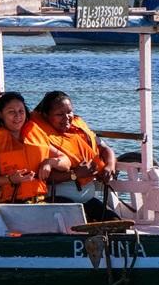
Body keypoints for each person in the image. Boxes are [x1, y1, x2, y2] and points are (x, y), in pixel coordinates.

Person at [31, 91, 118, 220]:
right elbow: (42, 177)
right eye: (59, 114)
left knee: (116, 223)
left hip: (87, 200)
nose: (66, 117)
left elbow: (105, 149)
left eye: (69, 112)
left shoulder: (78, 129)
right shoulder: (38, 136)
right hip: (59, 201)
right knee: (82, 225)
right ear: (46, 116)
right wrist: (75, 174)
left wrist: (109, 166)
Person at [0, 92, 69, 203]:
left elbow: (66, 161)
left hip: (38, 201)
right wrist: (9, 179)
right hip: (8, 205)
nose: (18, 116)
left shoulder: (36, 137)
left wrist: (50, 162)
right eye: (11, 112)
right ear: (0, 114)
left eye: (21, 111)